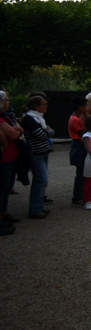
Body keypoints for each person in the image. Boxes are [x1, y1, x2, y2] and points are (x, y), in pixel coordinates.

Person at [21, 96, 54, 219]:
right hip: (36, 153)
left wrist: (47, 132)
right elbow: (42, 135)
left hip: (43, 151)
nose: (46, 106)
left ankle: (38, 207)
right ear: (36, 106)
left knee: (39, 180)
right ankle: (35, 209)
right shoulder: (29, 119)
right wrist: (47, 131)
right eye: (44, 104)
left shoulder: (39, 119)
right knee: (42, 180)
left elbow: (49, 132)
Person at [0, 90, 23, 233]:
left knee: (5, 188)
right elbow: (13, 134)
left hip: (10, 156)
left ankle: (3, 213)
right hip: (4, 157)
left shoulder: (5, 117)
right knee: (1, 188)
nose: (8, 103)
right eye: (6, 100)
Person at [68, 96, 89, 206]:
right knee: (80, 172)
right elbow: (84, 132)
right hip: (79, 145)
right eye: (85, 106)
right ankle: (77, 196)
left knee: (82, 171)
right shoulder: (75, 120)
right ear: (80, 107)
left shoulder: (78, 117)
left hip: (80, 145)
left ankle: (81, 194)